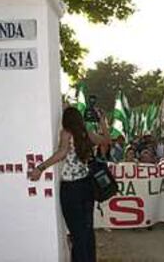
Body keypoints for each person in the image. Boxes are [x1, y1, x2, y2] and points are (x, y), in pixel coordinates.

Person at [28, 107, 110, 262]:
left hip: (71, 189)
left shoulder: (66, 133)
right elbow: (107, 140)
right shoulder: (87, 134)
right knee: (87, 229)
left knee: (77, 233)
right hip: (87, 186)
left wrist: (40, 168)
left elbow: (61, 153)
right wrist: (102, 121)